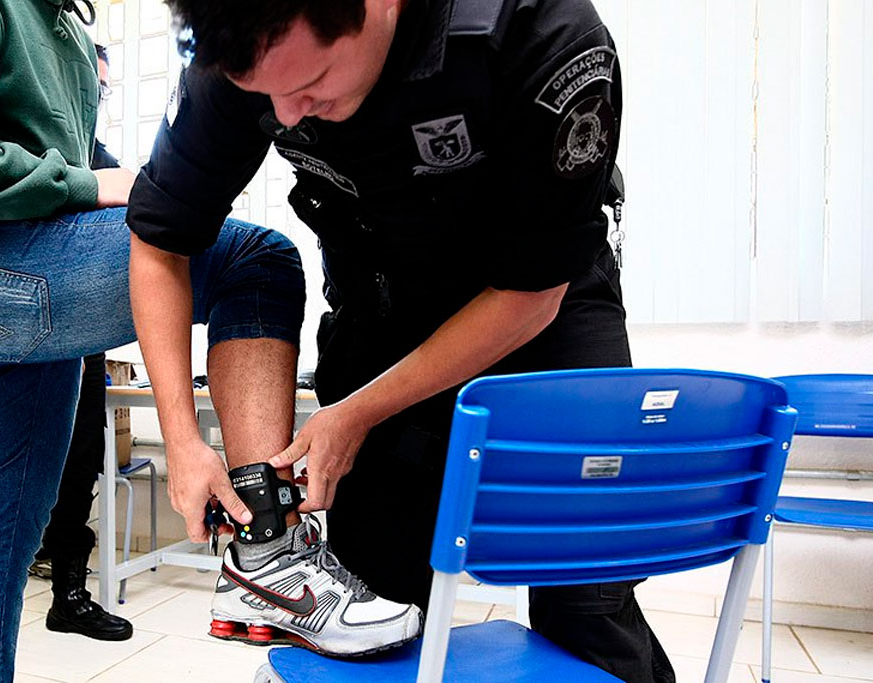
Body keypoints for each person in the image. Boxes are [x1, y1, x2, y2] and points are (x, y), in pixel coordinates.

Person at [126, 0, 674, 681]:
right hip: (381, 305)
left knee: (587, 604)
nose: (287, 115)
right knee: (373, 616)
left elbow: (532, 294)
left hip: (542, 312)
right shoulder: (243, 55)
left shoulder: (545, 35)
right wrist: (181, 437)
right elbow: (157, 241)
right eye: (267, 95)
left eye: (311, 84)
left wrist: (356, 412)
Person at [0, 1, 309, 680]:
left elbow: (72, 162)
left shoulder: (63, 20)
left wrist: (123, 180)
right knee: (257, 260)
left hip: (20, 261)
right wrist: (84, 182)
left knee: (4, 531)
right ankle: (273, 556)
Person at [0, 43, 130, 643]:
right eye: (90, 81)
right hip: (12, 299)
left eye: (103, 87)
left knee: (79, 463)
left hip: (81, 325)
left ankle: (69, 595)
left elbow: (126, 185)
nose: (95, 94)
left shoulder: (89, 145)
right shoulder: (28, 120)